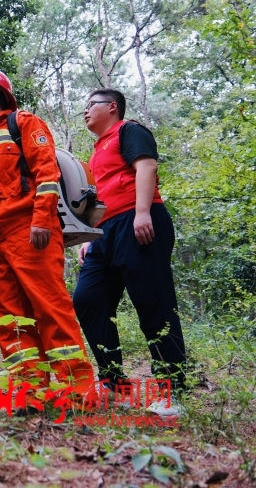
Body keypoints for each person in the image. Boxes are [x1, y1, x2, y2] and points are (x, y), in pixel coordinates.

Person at [0, 68, 97, 406]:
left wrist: (42, 219)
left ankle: (77, 393)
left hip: (30, 233)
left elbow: (47, 172)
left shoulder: (23, 124)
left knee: (50, 309)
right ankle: (29, 392)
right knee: (10, 317)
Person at [73, 89, 187, 414]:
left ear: (112, 107)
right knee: (88, 298)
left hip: (137, 222)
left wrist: (142, 212)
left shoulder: (129, 130)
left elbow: (146, 167)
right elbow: (98, 197)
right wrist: (89, 236)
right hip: (105, 232)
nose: (85, 111)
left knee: (153, 303)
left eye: (90, 105)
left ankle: (172, 390)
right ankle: (114, 383)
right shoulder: (97, 149)